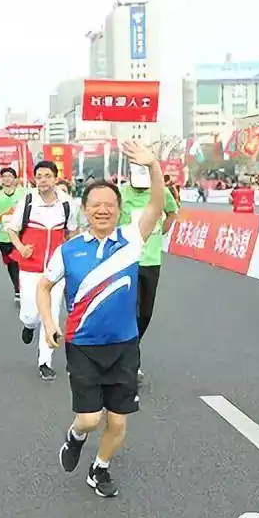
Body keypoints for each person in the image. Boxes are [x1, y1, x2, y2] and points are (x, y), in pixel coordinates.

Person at [39, 139, 165, 498]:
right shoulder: (69, 249)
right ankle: (76, 436)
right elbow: (44, 288)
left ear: (120, 209)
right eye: (96, 205)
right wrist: (49, 323)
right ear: (85, 208)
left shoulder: (131, 238)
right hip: (83, 346)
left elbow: (157, 204)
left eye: (110, 205)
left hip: (124, 345)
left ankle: (101, 468)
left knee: (118, 420)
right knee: (90, 419)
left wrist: (152, 165)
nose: (104, 210)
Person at [5, 161, 79, 380]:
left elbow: (72, 233)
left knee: (52, 313)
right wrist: (20, 248)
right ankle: (28, 325)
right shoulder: (27, 201)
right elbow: (12, 229)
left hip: (55, 271)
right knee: (31, 313)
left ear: (55, 178)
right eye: (39, 176)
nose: (43, 179)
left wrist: (70, 257)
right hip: (30, 267)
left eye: (47, 175)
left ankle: (44, 361)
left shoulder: (67, 204)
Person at [119, 164, 179, 381]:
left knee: (144, 314)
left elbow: (172, 213)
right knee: (128, 313)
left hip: (151, 261)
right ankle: (130, 361)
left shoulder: (161, 192)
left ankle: (130, 348)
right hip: (126, 261)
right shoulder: (121, 193)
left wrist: (160, 233)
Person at [0, 167, 26, 304]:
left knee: (22, 261)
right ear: (1, 179)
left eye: (10, 176)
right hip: (3, 236)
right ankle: (17, 288)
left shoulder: (24, 194)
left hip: (23, 234)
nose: (7, 178)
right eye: (4, 176)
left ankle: (23, 288)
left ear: (15, 179)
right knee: (12, 264)